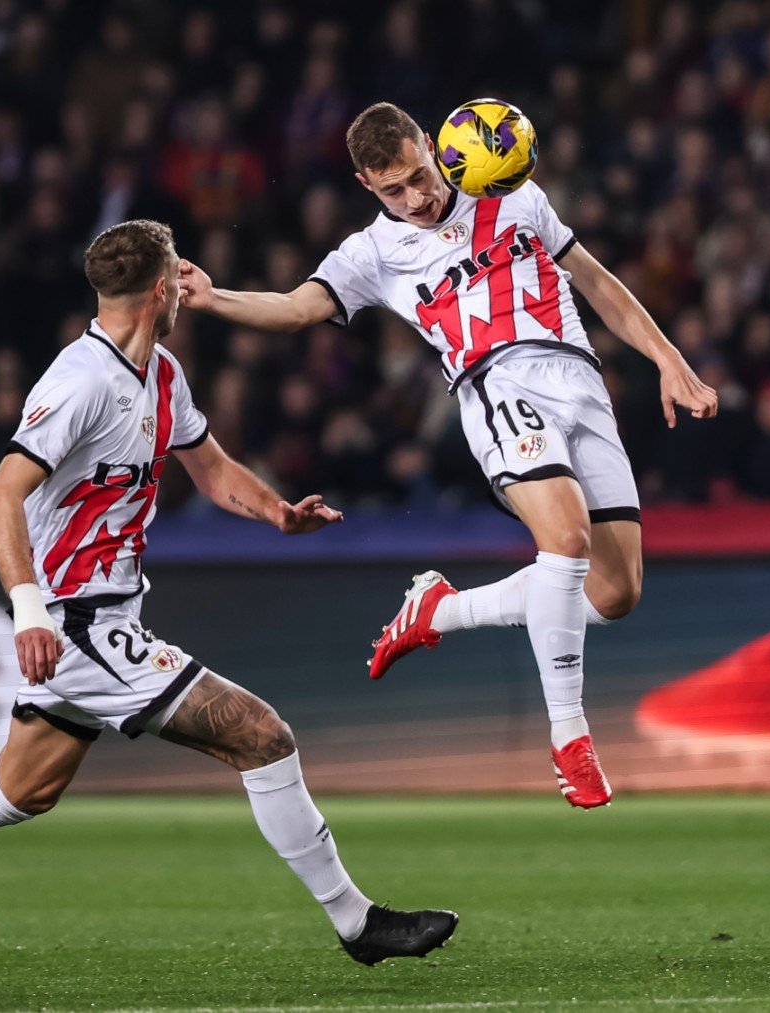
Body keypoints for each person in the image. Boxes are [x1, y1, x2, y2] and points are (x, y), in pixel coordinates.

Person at [0, 220, 456, 989]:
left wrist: (277, 512)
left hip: (107, 616)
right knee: (262, 735)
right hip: (76, 622)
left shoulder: (162, 372)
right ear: (159, 291)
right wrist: (28, 610)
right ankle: (356, 921)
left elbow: (210, 471)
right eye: (179, 274)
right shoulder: (78, 382)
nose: (188, 283)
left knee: (22, 787)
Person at [178, 103, 719, 808]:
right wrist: (214, 296)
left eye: (419, 176)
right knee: (566, 538)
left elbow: (597, 283)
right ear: (367, 185)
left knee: (615, 593)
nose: (416, 197)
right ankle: (570, 736)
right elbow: (294, 306)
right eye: (393, 190)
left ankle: (441, 610)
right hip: (496, 382)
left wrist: (668, 360)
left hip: (580, 385)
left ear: (432, 148)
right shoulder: (371, 253)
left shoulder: (510, 189)